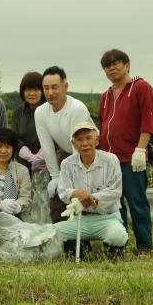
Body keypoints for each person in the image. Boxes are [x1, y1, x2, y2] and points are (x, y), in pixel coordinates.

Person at [99, 49, 153, 258]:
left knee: (137, 203)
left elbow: (148, 122)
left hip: (131, 157)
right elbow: (103, 125)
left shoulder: (140, 87)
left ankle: (144, 247)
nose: (112, 68)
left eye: (116, 63)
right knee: (115, 205)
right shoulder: (105, 96)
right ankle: (119, 245)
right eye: (107, 66)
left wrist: (140, 149)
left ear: (127, 65)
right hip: (109, 159)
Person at [54, 122, 128, 260]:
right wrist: (76, 193)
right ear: (73, 144)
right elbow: (63, 191)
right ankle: (80, 246)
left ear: (97, 140)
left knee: (118, 236)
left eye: (88, 138)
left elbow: (116, 191)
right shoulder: (67, 163)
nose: (85, 143)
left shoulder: (111, 160)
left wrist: (90, 197)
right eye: (79, 140)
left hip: (107, 217)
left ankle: (113, 251)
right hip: (79, 219)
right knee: (53, 233)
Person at [35, 66, 93, 223]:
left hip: (88, 154)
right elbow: (47, 146)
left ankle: (87, 238)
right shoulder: (40, 112)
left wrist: (74, 181)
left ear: (65, 87)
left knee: (81, 195)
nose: (50, 93)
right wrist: (55, 176)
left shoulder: (77, 109)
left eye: (55, 87)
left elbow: (79, 146)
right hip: (66, 152)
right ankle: (64, 239)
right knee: (57, 196)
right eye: (46, 88)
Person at [0, 128, 32, 231]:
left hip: (12, 217)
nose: (3, 150)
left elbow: (25, 197)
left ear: (13, 149)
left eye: (8, 147)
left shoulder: (22, 170)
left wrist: (18, 206)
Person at [12, 71, 46, 172]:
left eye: (35, 89)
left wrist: (40, 157)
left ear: (42, 91)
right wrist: (28, 155)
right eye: (27, 90)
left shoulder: (49, 109)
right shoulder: (18, 111)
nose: (31, 93)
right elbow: (14, 137)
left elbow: (55, 137)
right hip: (22, 165)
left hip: (46, 163)